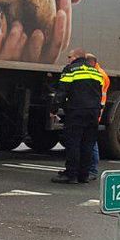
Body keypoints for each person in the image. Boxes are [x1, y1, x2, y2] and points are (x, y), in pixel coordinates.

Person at [51, 48, 105, 184]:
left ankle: (71, 174)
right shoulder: (96, 72)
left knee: (73, 143)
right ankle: (84, 175)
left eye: (69, 56)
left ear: (75, 57)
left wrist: (54, 109)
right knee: (87, 143)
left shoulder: (71, 70)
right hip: (93, 112)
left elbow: (62, 91)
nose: (68, 59)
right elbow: (98, 93)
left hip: (76, 111)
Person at [86, 52, 110, 181]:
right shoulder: (99, 73)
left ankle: (93, 169)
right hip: (95, 110)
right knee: (90, 140)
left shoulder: (99, 75)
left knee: (92, 141)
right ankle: (90, 169)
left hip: (95, 112)